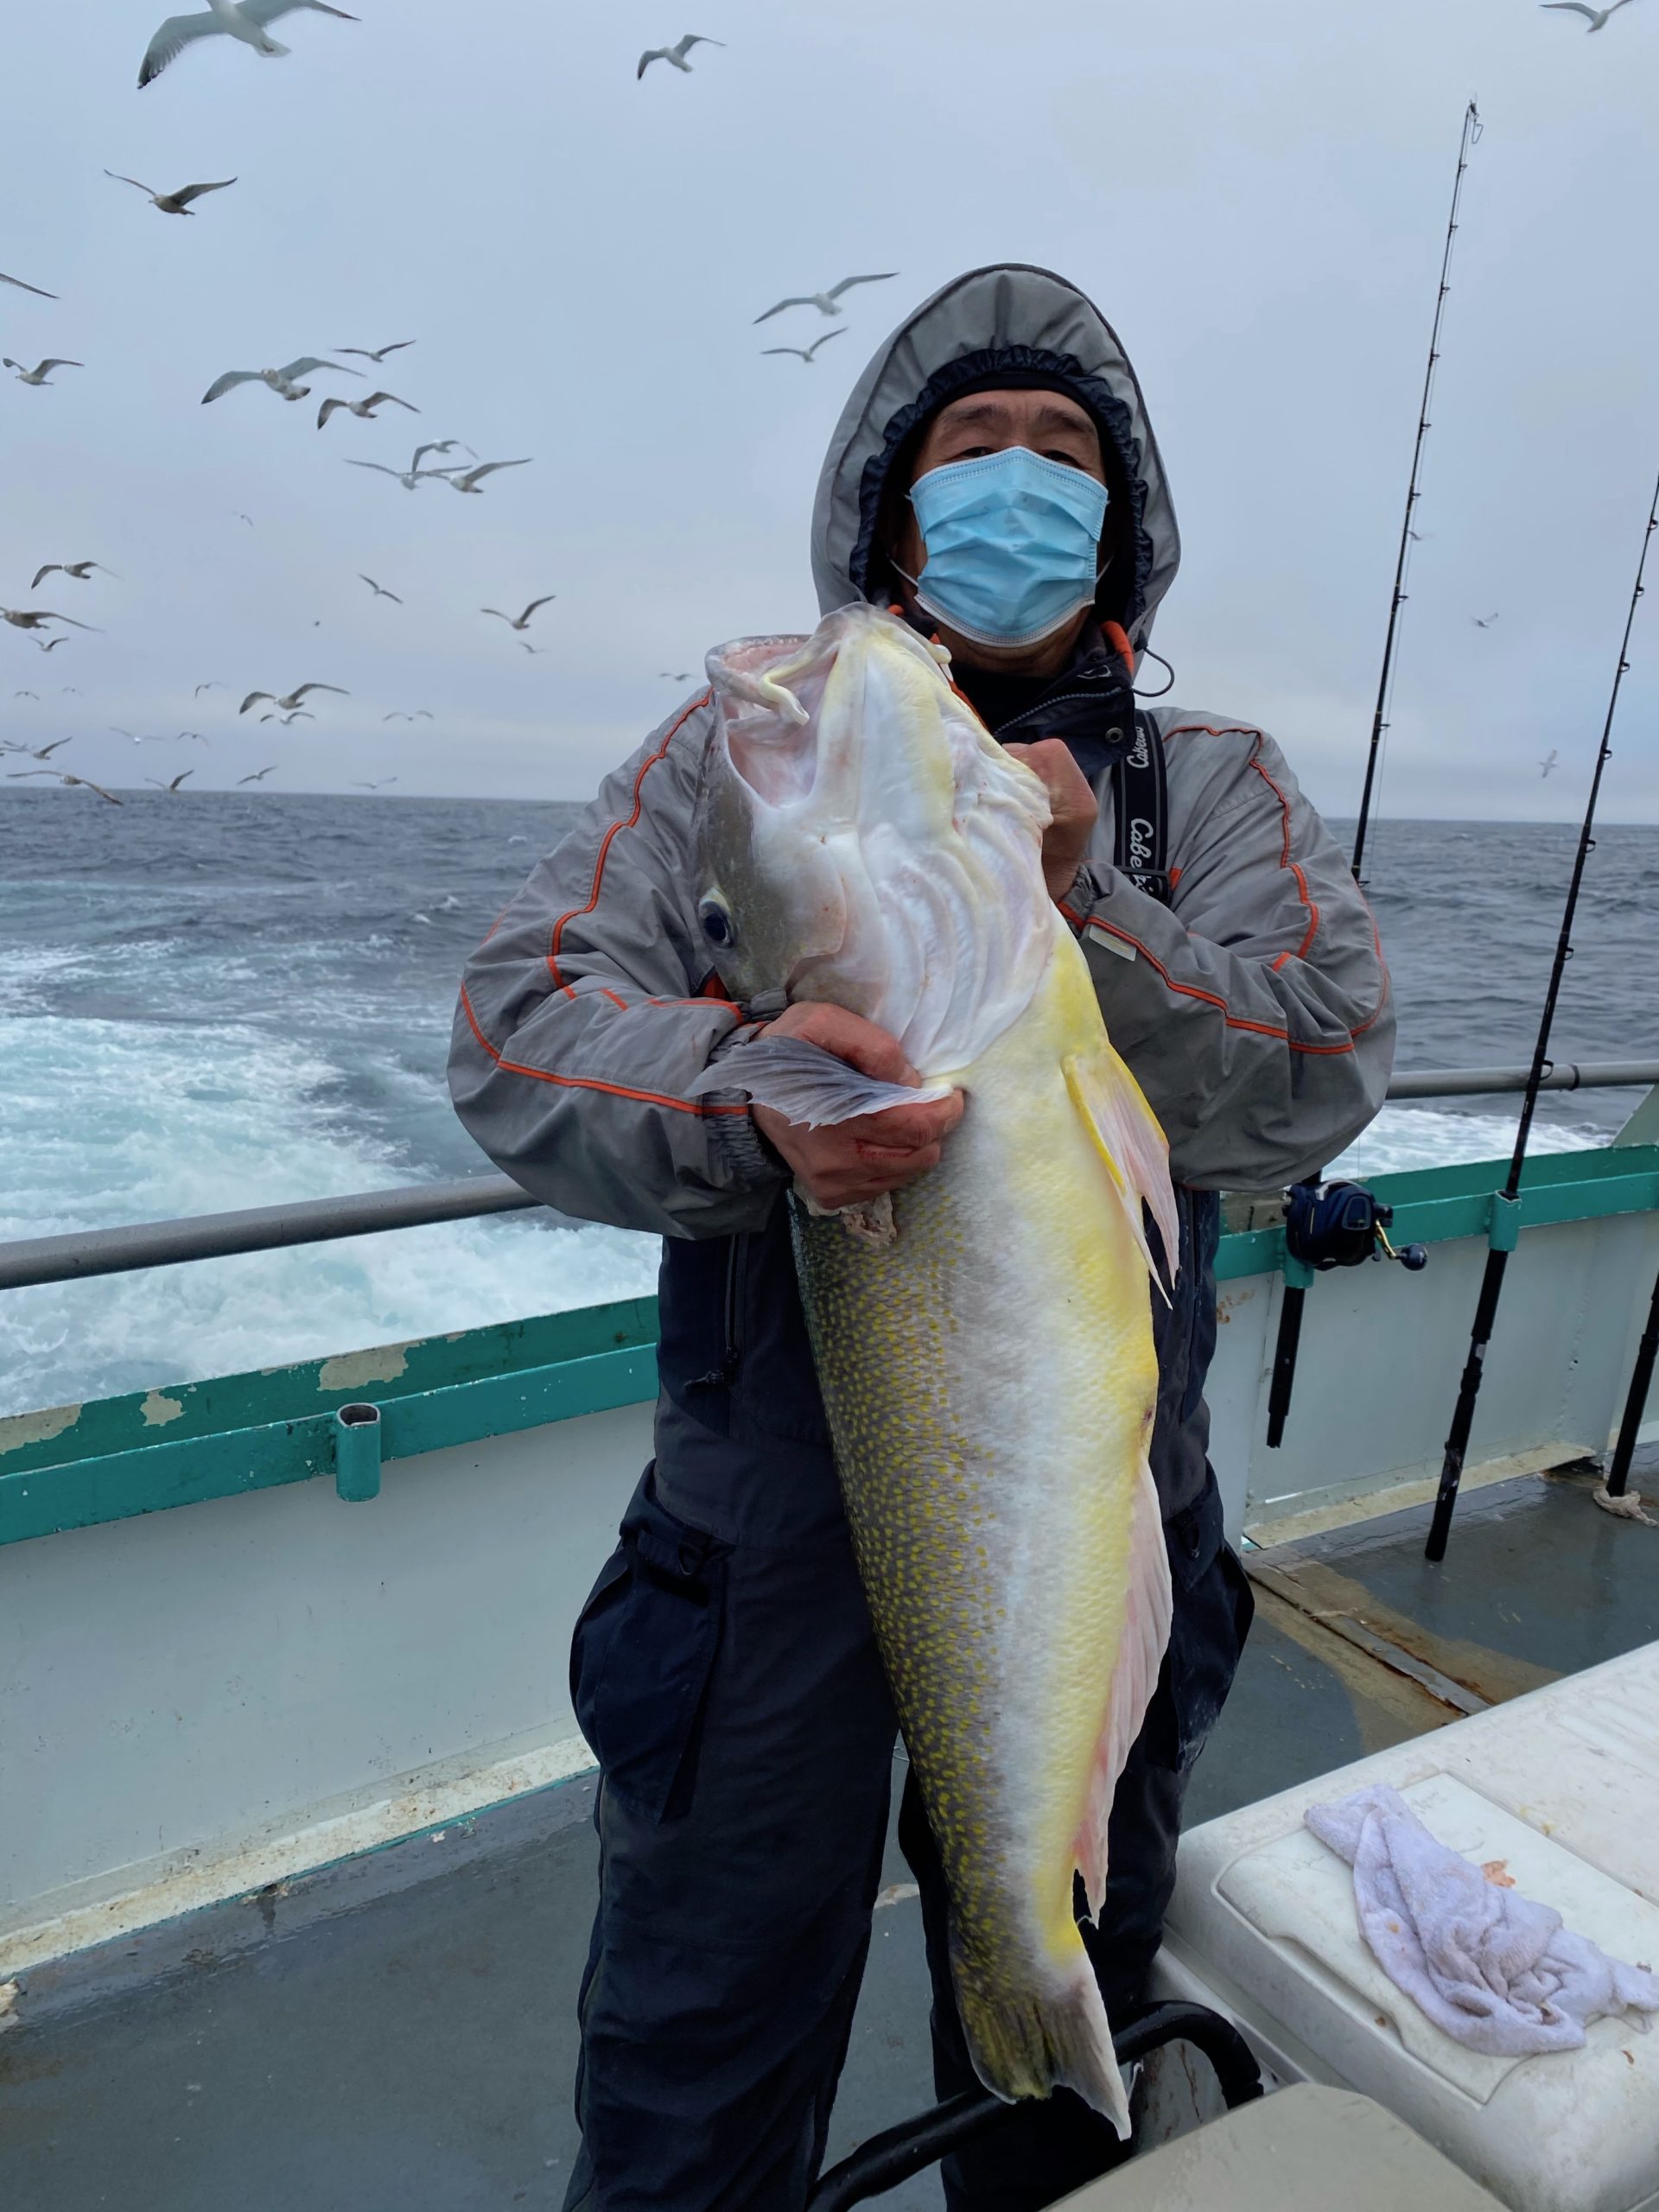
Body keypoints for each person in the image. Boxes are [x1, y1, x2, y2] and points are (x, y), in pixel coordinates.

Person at [449, 263, 1394, 2212]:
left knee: (1059, 2019)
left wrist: (1088, 908)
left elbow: (1319, 1060)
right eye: (974, 447)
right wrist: (759, 1090)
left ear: (1123, 529)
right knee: (699, 2038)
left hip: (1090, 1495)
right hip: (755, 1555)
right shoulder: (741, 756)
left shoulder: (1205, 783)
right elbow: (514, 1031)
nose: (1020, 481)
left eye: (1066, 455)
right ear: (890, 509)